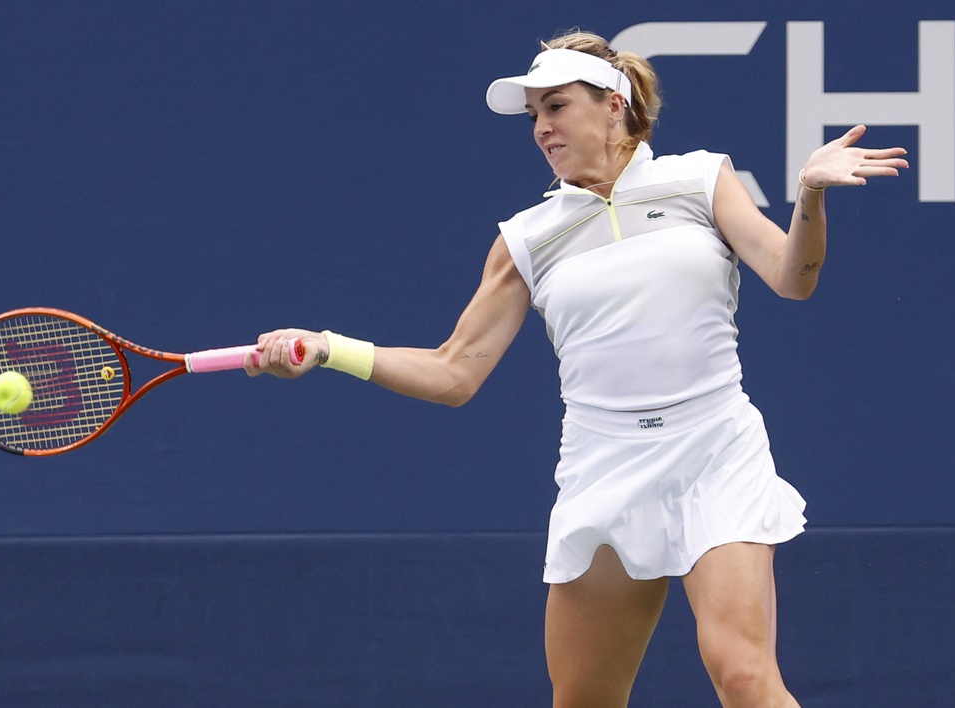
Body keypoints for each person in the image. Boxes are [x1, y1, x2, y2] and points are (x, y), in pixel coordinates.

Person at [244, 29, 908, 708]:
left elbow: (793, 277)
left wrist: (809, 198)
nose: (542, 128)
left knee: (742, 674)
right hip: (606, 465)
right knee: (584, 699)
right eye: (534, 115)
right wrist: (328, 347)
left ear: (613, 105)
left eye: (556, 107)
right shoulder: (526, 239)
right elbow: (453, 373)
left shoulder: (701, 181)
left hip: (716, 450)